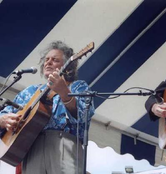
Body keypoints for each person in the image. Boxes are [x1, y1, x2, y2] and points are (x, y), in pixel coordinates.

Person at [0, 41, 95, 174]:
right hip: (31, 147)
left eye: (55, 60)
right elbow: (5, 113)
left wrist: (64, 92)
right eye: (46, 60)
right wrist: (3, 120)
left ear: (68, 67)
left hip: (63, 144)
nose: (48, 62)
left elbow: (85, 116)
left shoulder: (78, 86)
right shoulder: (31, 91)